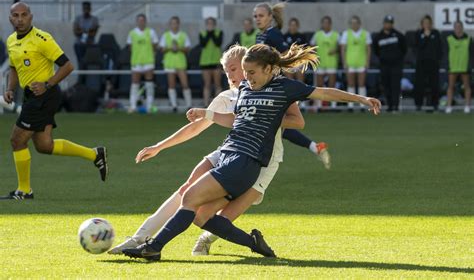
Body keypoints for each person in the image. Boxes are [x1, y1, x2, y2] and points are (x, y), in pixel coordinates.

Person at [122, 43, 381, 261]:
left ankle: (153, 248)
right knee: (201, 216)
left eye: (252, 72)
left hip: (246, 161)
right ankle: (254, 243)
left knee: (189, 197)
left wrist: (362, 99)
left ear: (269, 69)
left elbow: (324, 93)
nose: (247, 77)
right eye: (244, 72)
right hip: (229, 154)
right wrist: (206, 114)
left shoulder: (284, 87)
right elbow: (234, 120)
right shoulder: (246, 88)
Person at [108, 45, 303, 255]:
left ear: (249, 66)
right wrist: (159, 147)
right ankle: (139, 238)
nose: (231, 76)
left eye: (234, 69)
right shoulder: (227, 97)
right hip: (228, 152)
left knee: (221, 216)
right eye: (227, 72)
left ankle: (210, 239)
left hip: (263, 161)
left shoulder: (275, 90)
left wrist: (266, 117)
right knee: (187, 190)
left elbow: (298, 121)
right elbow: (196, 126)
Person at [1, 2, 108, 200]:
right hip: (31, 96)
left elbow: (68, 66)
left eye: (24, 15)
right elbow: (14, 69)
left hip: (44, 96)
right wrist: (9, 88)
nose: (20, 19)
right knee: (44, 146)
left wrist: (47, 84)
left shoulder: (42, 39)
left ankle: (24, 191)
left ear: (31, 17)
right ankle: (95, 154)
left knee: (17, 140)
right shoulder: (11, 41)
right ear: (10, 19)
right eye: (15, 15)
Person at [254, 2, 330, 168]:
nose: (257, 19)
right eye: (255, 16)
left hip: (274, 86)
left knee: (273, 123)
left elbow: (283, 57)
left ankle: (260, 159)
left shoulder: (273, 34)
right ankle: (315, 147)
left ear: (270, 18)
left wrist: (280, 76)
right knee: (277, 125)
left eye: (261, 15)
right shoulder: (260, 35)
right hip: (265, 86)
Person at [372, 15, 407, 113]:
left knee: (395, 86)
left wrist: (397, 58)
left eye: (390, 23)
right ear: (384, 24)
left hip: (396, 65)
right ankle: (390, 106)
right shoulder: (378, 37)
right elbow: (376, 50)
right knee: (386, 85)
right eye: (386, 23)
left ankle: (396, 106)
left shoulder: (398, 35)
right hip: (384, 65)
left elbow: (404, 49)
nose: (388, 25)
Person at [127, 14, 158, 113]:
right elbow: (130, 47)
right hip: (136, 61)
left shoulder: (151, 32)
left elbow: (155, 45)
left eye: (143, 20)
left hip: (148, 61)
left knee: (149, 84)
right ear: (137, 22)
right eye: (139, 20)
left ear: (145, 21)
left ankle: (149, 106)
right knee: (135, 84)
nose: (141, 22)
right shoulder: (132, 33)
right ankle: (133, 106)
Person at [160, 16, 192, 112]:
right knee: (171, 85)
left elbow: (187, 48)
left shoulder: (183, 35)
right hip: (170, 63)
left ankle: (189, 105)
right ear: (170, 24)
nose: (174, 25)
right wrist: (170, 48)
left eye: (176, 23)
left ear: (178, 24)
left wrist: (178, 48)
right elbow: (161, 49)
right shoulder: (165, 35)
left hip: (180, 63)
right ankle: (174, 106)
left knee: (185, 84)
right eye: (172, 23)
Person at [340, 15, 372, 111]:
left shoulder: (365, 34)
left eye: (356, 23)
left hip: (361, 62)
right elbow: (343, 49)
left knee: (361, 84)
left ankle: (363, 105)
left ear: (359, 23)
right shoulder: (346, 34)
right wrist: (344, 62)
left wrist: (367, 62)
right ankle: (351, 106)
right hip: (350, 63)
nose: (354, 25)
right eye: (352, 23)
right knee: (351, 84)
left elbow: (368, 49)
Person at [311, 16, 340, 111]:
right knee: (319, 85)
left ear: (330, 24)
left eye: (327, 23)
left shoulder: (336, 35)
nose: (325, 25)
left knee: (332, 85)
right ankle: (319, 105)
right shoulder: (317, 34)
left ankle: (333, 105)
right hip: (320, 63)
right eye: (324, 23)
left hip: (332, 63)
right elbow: (312, 46)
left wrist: (335, 50)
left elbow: (341, 47)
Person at [414, 15, 442, 112]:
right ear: (422, 24)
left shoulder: (436, 33)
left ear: (431, 24)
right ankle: (418, 104)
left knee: (434, 85)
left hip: (433, 63)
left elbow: (439, 48)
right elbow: (418, 47)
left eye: (428, 23)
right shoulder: (418, 34)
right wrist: (425, 36)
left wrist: (438, 60)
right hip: (421, 63)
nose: (426, 25)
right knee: (420, 85)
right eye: (424, 23)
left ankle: (434, 104)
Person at [445, 21, 472, 114]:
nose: (458, 28)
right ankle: (449, 106)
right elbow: (446, 53)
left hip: (464, 66)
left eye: (459, 26)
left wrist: (470, 65)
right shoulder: (449, 39)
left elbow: (472, 53)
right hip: (453, 67)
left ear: (462, 27)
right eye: (456, 27)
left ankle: (467, 106)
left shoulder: (468, 39)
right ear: (454, 28)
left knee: (467, 86)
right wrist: (447, 65)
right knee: (451, 87)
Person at [199, 17, 223, 107]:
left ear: (214, 24)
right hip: (205, 62)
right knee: (207, 84)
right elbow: (203, 44)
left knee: (217, 84)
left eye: (211, 23)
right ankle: (206, 104)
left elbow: (218, 43)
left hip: (216, 60)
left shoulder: (219, 32)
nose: (210, 25)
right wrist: (209, 33)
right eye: (208, 23)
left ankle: (218, 105)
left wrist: (211, 32)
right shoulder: (202, 33)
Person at [73, 1, 100, 69]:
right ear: (82, 9)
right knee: (80, 62)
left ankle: (88, 78)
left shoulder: (94, 19)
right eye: (85, 8)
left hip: (90, 44)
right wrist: (88, 31)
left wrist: (82, 30)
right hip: (79, 44)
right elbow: (75, 32)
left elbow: (94, 33)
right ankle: (81, 79)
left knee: (89, 63)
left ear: (90, 9)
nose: (86, 10)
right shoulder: (78, 18)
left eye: (87, 8)